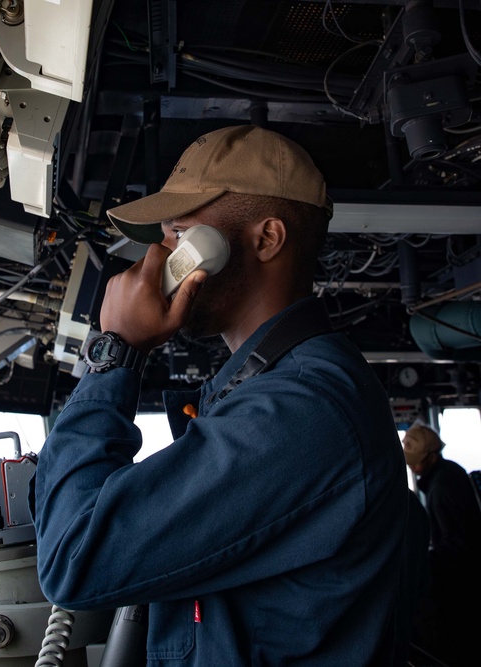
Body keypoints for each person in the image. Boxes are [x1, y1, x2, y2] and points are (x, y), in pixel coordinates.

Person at [30, 125, 428, 665]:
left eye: (180, 234)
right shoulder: (273, 388)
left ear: (267, 239)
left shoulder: (302, 409)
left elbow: (74, 559)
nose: (160, 258)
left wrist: (115, 352)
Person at [402, 423, 481, 667]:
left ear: (429, 458)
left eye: (415, 463)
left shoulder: (441, 489)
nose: (414, 468)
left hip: (462, 579)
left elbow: (455, 545)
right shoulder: (451, 471)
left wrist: (422, 563)